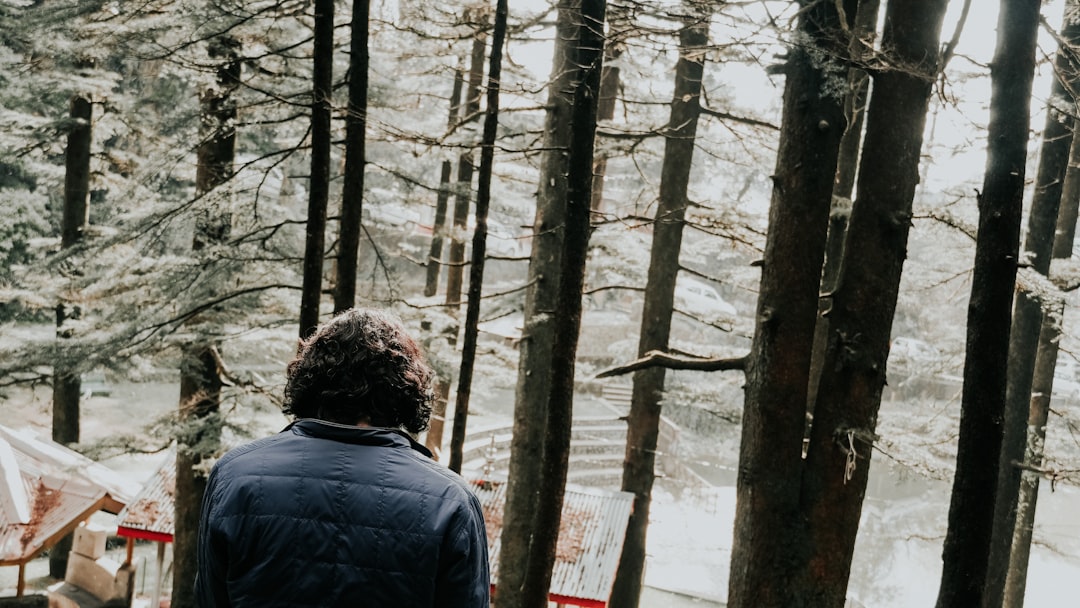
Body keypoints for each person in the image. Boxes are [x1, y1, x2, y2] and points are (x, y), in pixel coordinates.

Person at [195, 308, 490, 607]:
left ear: (310, 381)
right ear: (404, 391)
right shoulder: (451, 500)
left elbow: (209, 598)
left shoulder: (234, 475)